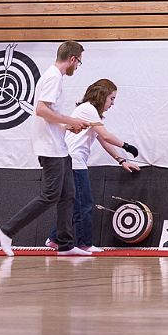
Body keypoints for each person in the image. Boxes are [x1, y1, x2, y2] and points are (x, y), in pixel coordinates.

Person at [0, 41, 98, 257]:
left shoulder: (54, 77)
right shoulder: (53, 77)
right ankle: (7, 230)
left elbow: (49, 115)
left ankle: (65, 245)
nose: (77, 66)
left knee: (68, 195)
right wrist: (70, 120)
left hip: (59, 147)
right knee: (50, 195)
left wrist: (67, 126)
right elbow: (41, 110)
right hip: (50, 148)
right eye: (78, 62)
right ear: (72, 59)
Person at [45, 79, 141, 253]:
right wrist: (127, 146)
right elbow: (107, 136)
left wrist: (122, 160)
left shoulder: (91, 112)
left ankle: (54, 239)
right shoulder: (88, 109)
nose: (112, 103)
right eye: (112, 98)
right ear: (102, 95)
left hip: (72, 161)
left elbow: (103, 140)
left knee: (74, 204)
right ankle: (85, 243)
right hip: (74, 161)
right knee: (84, 203)